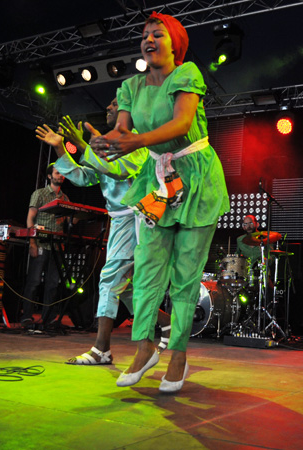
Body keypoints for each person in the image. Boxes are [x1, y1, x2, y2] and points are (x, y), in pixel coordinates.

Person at [87, 11, 229, 392]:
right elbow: (122, 130)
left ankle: (178, 354)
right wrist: (104, 141)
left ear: (175, 43)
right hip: (157, 182)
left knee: (185, 274)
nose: (149, 40)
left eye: (158, 34)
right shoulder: (131, 86)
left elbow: (182, 123)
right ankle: (145, 347)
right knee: (147, 267)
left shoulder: (187, 74)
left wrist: (135, 140)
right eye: (145, 35)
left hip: (195, 179)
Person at [34, 98, 170, 365]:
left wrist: (84, 146)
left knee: (110, 280)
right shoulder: (108, 144)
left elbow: (117, 170)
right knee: (125, 287)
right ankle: (166, 321)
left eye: (115, 104)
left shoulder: (139, 142)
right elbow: (84, 176)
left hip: (136, 216)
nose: (108, 108)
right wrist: (61, 148)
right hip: (120, 219)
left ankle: (101, 349)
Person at [20, 164, 70, 328]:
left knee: (53, 284)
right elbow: (30, 218)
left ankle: (48, 318)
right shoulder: (40, 193)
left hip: (57, 247)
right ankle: (26, 316)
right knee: (34, 281)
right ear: (49, 176)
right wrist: (32, 242)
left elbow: (71, 220)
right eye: (57, 173)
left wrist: (79, 215)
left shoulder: (65, 198)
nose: (61, 175)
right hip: (41, 243)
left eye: (62, 173)